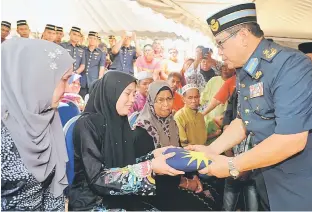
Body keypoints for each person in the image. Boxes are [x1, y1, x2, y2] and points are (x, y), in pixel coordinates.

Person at [187, 3, 312, 210]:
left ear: (243, 36)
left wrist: (232, 165)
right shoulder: (248, 69)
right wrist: (211, 150)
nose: (219, 52)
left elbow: (292, 140)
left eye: (221, 44)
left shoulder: (291, 66)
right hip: (278, 185)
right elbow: (244, 121)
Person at [67, 71, 184, 211]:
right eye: (127, 93)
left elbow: (126, 163)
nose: (132, 99)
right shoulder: (87, 124)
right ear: (112, 92)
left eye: (134, 94)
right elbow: (97, 179)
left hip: (120, 197)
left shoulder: (120, 121)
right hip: (92, 202)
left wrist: (154, 155)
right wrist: (150, 166)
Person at [1, 38, 74, 210]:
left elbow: (53, 194)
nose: (68, 89)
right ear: (35, 78)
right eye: (64, 80)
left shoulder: (46, 119)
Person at [132, 81, 220, 211]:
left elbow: (181, 155)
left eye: (169, 99)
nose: (166, 104)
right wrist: (185, 183)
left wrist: (193, 176)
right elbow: (146, 172)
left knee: (214, 195)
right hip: (156, 190)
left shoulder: (172, 124)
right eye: (160, 100)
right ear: (151, 101)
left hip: (177, 180)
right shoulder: (142, 131)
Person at [81, 31, 106, 98]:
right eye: (90, 38)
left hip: (93, 80)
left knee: (91, 99)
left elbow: (102, 67)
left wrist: (99, 81)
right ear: (87, 39)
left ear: (97, 40)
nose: (92, 40)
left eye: (94, 39)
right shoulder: (82, 50)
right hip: (82, 79)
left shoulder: (101, 52)